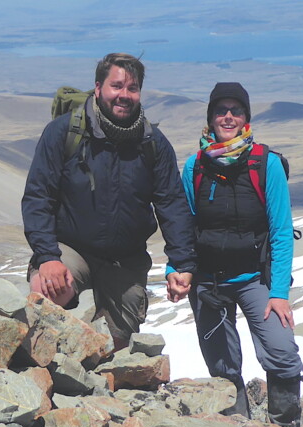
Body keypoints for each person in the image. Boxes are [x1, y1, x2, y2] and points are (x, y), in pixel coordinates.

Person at [22, 53, 195, 349]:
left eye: (132, 88)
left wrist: (181, 263)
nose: (124, 96)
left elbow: (172, 204)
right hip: (72, 247)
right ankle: (37, 370)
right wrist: (47, 256)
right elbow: (39, 196)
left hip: (124, 259)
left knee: (116, 346)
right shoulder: (64, 132)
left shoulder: (153, 143)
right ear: (98, 87)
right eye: (116, 86)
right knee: (47, 291)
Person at [171, 82, 303, 427]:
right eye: (220, 110)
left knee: (281, 352)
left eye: (236, 110)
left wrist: (279, 293)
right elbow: (182, 227)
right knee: (223, 367)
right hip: (208, 282)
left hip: (255, 279)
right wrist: (176, 268)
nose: (228, 117)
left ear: (246, 118)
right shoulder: (195, 167)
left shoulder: (266, 164)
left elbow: (281, 231)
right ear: (210, 118)